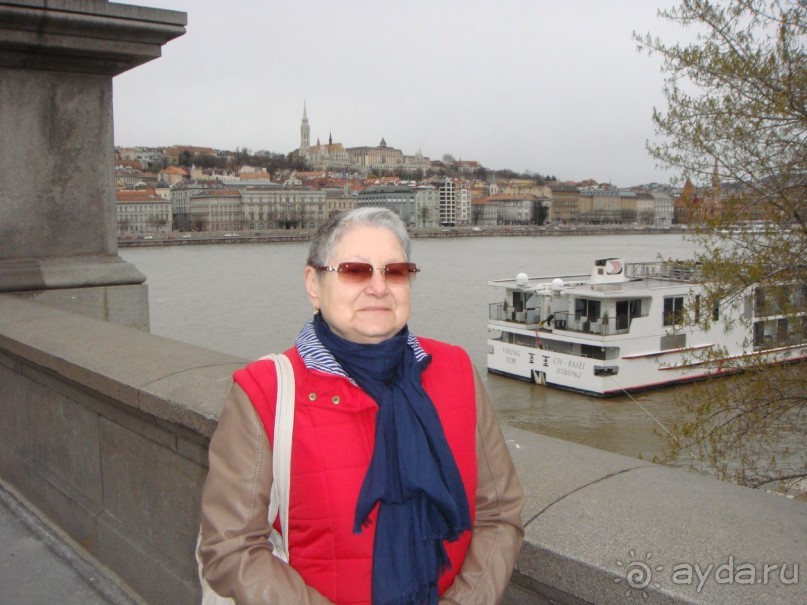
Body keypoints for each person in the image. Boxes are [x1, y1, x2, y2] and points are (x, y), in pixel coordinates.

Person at [199, 207, 524, 604]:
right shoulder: (263, 393)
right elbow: (232, 548)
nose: (379, 287)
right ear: (313, 285)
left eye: (395, 271)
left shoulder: (456, 371)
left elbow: (498, 513)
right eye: (355, 271)